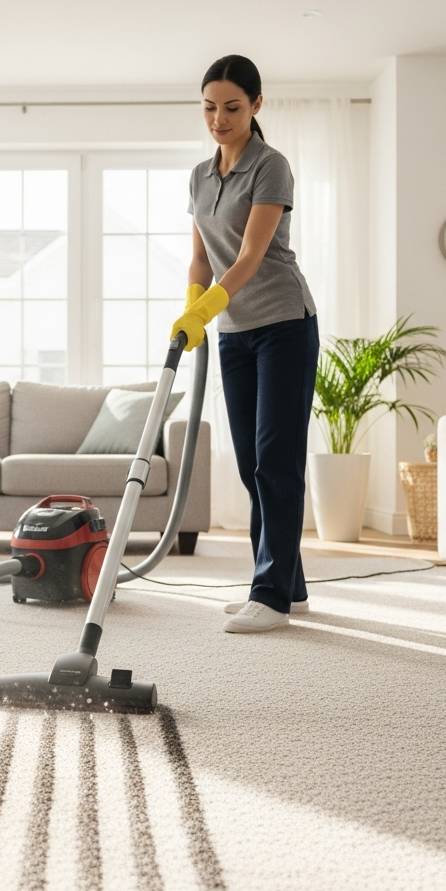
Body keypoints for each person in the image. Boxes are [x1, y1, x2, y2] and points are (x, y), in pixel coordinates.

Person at [172, 54, 319, 633]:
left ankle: (271, 597)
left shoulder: (271, 166)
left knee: (276, 461)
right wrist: (193, 304)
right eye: (209, 107)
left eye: (232, 107)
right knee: (252, 464)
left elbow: (253, 256)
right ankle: (291, 585)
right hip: (234, 333)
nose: (218, 119)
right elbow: (202, 255)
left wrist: (209, 305)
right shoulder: (199, 176)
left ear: (256, 105)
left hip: (284, 323)